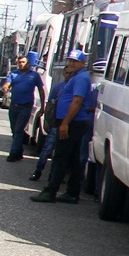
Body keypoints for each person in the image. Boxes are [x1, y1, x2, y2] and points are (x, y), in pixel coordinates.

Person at [30, 50, 94, 205]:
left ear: (83, 63)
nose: (71, 63)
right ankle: (72, 193)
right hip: (71, 122)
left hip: (72, 123)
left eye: (75, 61)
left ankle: (50, 191)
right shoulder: (77, 77)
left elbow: (77, 101)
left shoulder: (81, 78)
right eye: (70, 60)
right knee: (73, 159)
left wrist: (65, 123)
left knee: (60, 157)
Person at [5, 54, 44, 162]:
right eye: (20, 62)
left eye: (24, 62)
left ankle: (13, 153)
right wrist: (5, 88)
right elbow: (7, 84)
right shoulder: (13, 74)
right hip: (14, 106)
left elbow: (41, 90)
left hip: (26, 107)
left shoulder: (34, 75)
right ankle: (19, 150)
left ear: (28, 64)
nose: (21, 64)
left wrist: (43, 107)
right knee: (14, 130)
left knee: (18, 130)